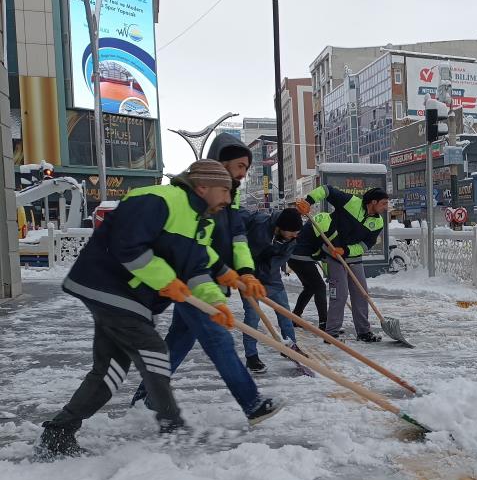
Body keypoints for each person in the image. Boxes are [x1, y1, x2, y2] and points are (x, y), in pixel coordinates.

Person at [36, 160, 236, 459]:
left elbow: (195, 270)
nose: (228, 199)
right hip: (110, 286)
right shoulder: (158, 199)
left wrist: (215, 303)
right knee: (153, 352)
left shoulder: (199, 221)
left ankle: (58, 433)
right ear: (203, 187)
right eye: (225, 190)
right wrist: (166, 280)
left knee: (111, 371)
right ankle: (173, 427)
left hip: (129, 298)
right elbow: (126, 244)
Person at [130, 135, 280, 424]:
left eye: (246, 168)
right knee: (218, 340)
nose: (243, 173)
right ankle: (252, 404)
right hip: (194, 278)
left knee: (178, 343)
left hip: (213, 280)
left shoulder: (230, 197)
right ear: (221, 162)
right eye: (240, 166)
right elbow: (193, 242)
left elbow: (238, 238)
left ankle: (145, 396)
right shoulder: (198, 194)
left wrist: (246, 272)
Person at [296, 185, 389, 342]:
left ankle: (364, 332)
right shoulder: (351, 202)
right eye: (384, 203)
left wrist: (346, 251)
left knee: (361, 294)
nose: (386, 207)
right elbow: (326, 190)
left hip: (352, 257)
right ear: (373, 201)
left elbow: (366, 245)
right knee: (339, 294)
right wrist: (308, 201)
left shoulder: (378, 222)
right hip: (333, 253)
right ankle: (331, 333)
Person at [240, 207, 304, 372]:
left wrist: (265, 276)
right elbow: (241, 245)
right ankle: (251, 357)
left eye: (297, 232)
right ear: (281, 226)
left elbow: (280, 260)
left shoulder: (291, 239)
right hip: (248, 276)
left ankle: (290, 347)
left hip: (271, 278)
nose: (295, 235)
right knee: (252, 316)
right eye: (292, 232)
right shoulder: (259, 223)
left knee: (285, 313)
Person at [286, 211, 334, 331]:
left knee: (310, 288)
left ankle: (295, 317)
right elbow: (321, 250)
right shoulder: (329, 225)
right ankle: (324, 323)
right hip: (303, 258)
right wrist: (323, 260)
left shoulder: (322, 217)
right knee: (320, 287)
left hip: (293, 257)